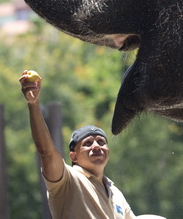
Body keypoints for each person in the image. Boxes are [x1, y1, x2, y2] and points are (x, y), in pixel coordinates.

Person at [19, 70, 137, 219]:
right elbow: (46, 152)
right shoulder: (67, 180)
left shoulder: (115, 191)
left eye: (101, 141)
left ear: (108, 151)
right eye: (87, 143)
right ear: (73, 156)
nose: (96, 146)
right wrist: (33, 104)